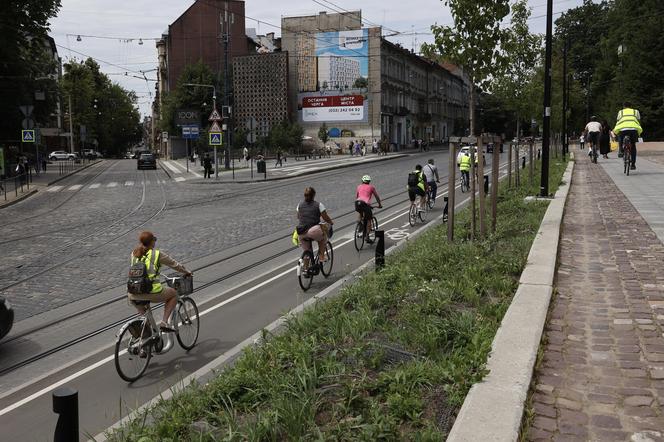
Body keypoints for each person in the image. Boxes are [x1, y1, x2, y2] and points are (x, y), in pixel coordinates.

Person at [128, 231, 192, 333]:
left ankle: (146, 341)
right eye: (154, 239)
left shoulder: (134, 253)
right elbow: (174, 264)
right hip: (150, 292)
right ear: (152, 242)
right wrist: (187, 271)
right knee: (174, 294)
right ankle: (164, 322)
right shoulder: (157, 254)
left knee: (146, 320)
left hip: (133, 293)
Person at [296, 187, 334, 263]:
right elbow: (325, 217)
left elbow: (298, 216)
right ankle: (322, 257)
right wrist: (331, 222)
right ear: (314, 195)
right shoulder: (318, 205)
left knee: (307, 252)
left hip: (301, 232)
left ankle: (306, 270)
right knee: (323, 239)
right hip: (313, 231)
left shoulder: (299, 205)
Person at [614, 101, 642, 170]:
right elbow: (638, 119)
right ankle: (633, 164)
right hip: (633, 129)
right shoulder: (636, 111)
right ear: (631, 106)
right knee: (633, 145)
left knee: (620, 137)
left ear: (624, 106)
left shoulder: (621, 112)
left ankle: (620, 150)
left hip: (623, 129)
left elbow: (618, 119)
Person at [355, 175, 382, 241]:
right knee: (369, 219)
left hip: (357, 202)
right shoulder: (371, 187)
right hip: (366, 203)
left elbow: (357, 196)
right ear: (369, 181)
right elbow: (377, 197)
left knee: (360, 212)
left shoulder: (358, 186)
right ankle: (367, 236)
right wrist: (379, 204)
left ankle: (359, 224)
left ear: (362, 181)